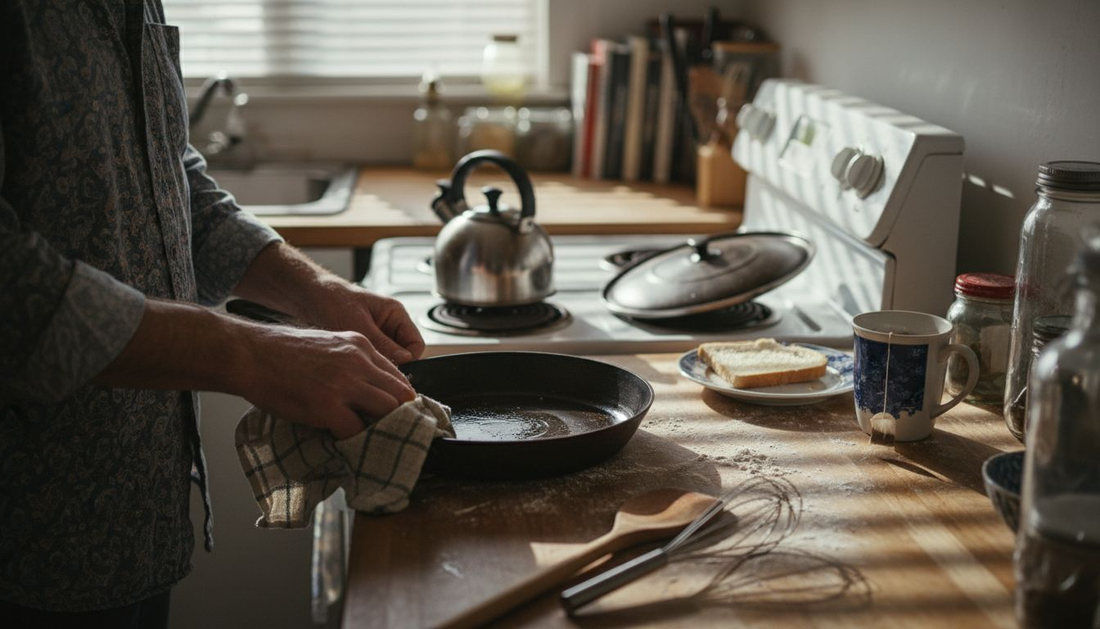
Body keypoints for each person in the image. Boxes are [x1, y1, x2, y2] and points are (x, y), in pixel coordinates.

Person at [0, 1, 424, 626]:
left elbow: (171, 178)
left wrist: (317, 292)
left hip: (132, 507)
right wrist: (250, 354)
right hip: (29, 536)